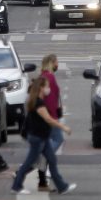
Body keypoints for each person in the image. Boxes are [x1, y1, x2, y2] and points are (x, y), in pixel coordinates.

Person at [12, 77, 76, 195]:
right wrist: (64, 127)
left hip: (43, 137)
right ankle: (16, 186)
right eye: (47, 86)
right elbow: (48, 119)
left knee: (52, 160)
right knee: (29, 163)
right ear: (41, 88)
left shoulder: (35, 100)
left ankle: (62, 187)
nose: (48, 89)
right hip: (38, 138)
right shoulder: (38, 102)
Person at [37, 54, 63, 191]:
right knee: (58, 139)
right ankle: (43, 156)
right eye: (57, 62)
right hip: (50, 116)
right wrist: (54, 117)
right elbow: (52, 99)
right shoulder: (50, 77)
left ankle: (42, 179)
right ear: (52, 63)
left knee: (48, 142)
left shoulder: (42, 76)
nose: (58, 64)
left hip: (43, 116)